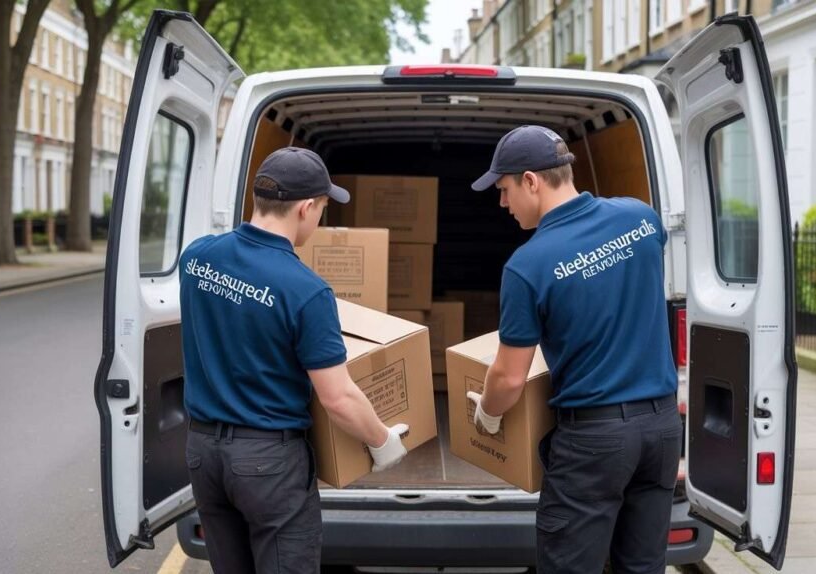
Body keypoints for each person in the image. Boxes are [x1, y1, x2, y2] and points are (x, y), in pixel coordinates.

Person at [179, 146, 409, 574]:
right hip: (267, 461)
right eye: (322, 208)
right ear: (306, 208)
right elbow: (337, 397)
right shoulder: (306, 290)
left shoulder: (196, 258)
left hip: (203, 453)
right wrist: (382, 441)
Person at [465, 126, 681, 574]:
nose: (502, 203)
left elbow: (509, 377)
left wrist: (487, 412)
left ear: (530, 181)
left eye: (504, 190)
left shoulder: (528, 265)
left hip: (594, 442)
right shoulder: (641, 218)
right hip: (660, 429)